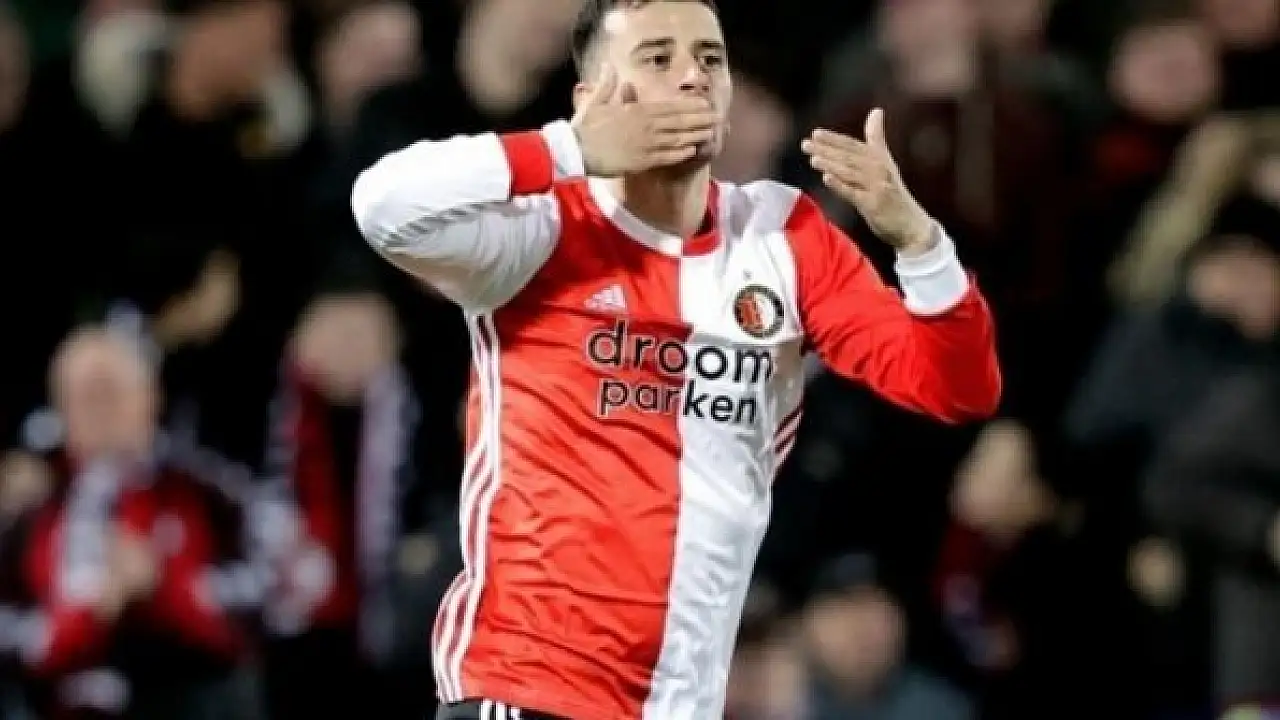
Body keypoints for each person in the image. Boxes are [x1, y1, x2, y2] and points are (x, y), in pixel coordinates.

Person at [350, 1, 1002, 718]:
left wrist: (919, 243)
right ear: (595, 97)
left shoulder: (784, 238)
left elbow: (957, 387)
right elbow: (383, 205)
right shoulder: (543, 230)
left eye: (709, 59)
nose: (693, 76)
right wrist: (567, 147)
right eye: (658, 58)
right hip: (526, 691)